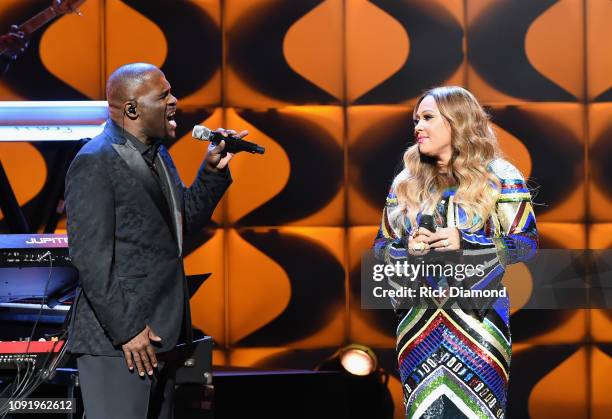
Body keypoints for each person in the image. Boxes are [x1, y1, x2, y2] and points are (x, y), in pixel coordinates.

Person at [65, 62, 246, 418]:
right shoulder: (95, 162)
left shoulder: (158, 156)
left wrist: (212, 171)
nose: (174, 101)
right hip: (119, 343)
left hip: (161, 336)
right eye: (163, 95)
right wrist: (129, 330)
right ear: (132, 108)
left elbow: (180, 227)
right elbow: (91, 260)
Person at [373, 86, 537, 418]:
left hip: (478, 325)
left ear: (457, 121)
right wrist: (409, 248)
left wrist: (466, 242)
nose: (418, 126)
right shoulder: (406, 181)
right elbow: (380, 248)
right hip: (418, 326)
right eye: (416, 119)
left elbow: (527, 244)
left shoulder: (501, 176)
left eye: (428, 117)